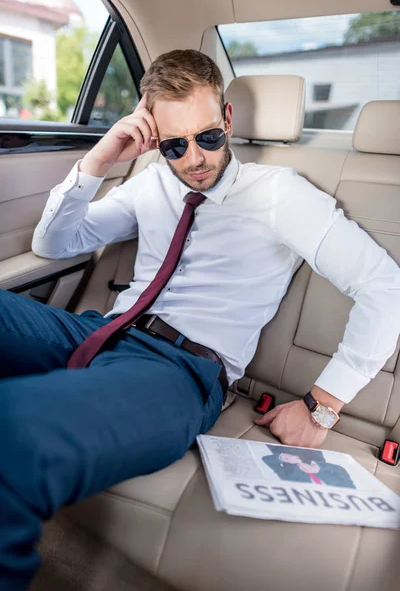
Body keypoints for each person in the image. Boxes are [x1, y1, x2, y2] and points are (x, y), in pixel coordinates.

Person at [0, 49, 399, 589]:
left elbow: (385, 286)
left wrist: (322, 406)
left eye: (208, 137)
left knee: (14, 435)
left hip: (178, 371)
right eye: (174, 144)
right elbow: (55, 241)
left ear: (227, 120)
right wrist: (100, 159)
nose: (194, 159)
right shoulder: (149, 183)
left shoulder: (279, 194)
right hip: (100, 330)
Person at [262, 445, 356, 488]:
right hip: (313, 451)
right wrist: (318, 468)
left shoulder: (294, 487)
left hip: (284, 445)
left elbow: (268, 460)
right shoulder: (348, 492)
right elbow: (340, 470)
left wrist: (283, 457)